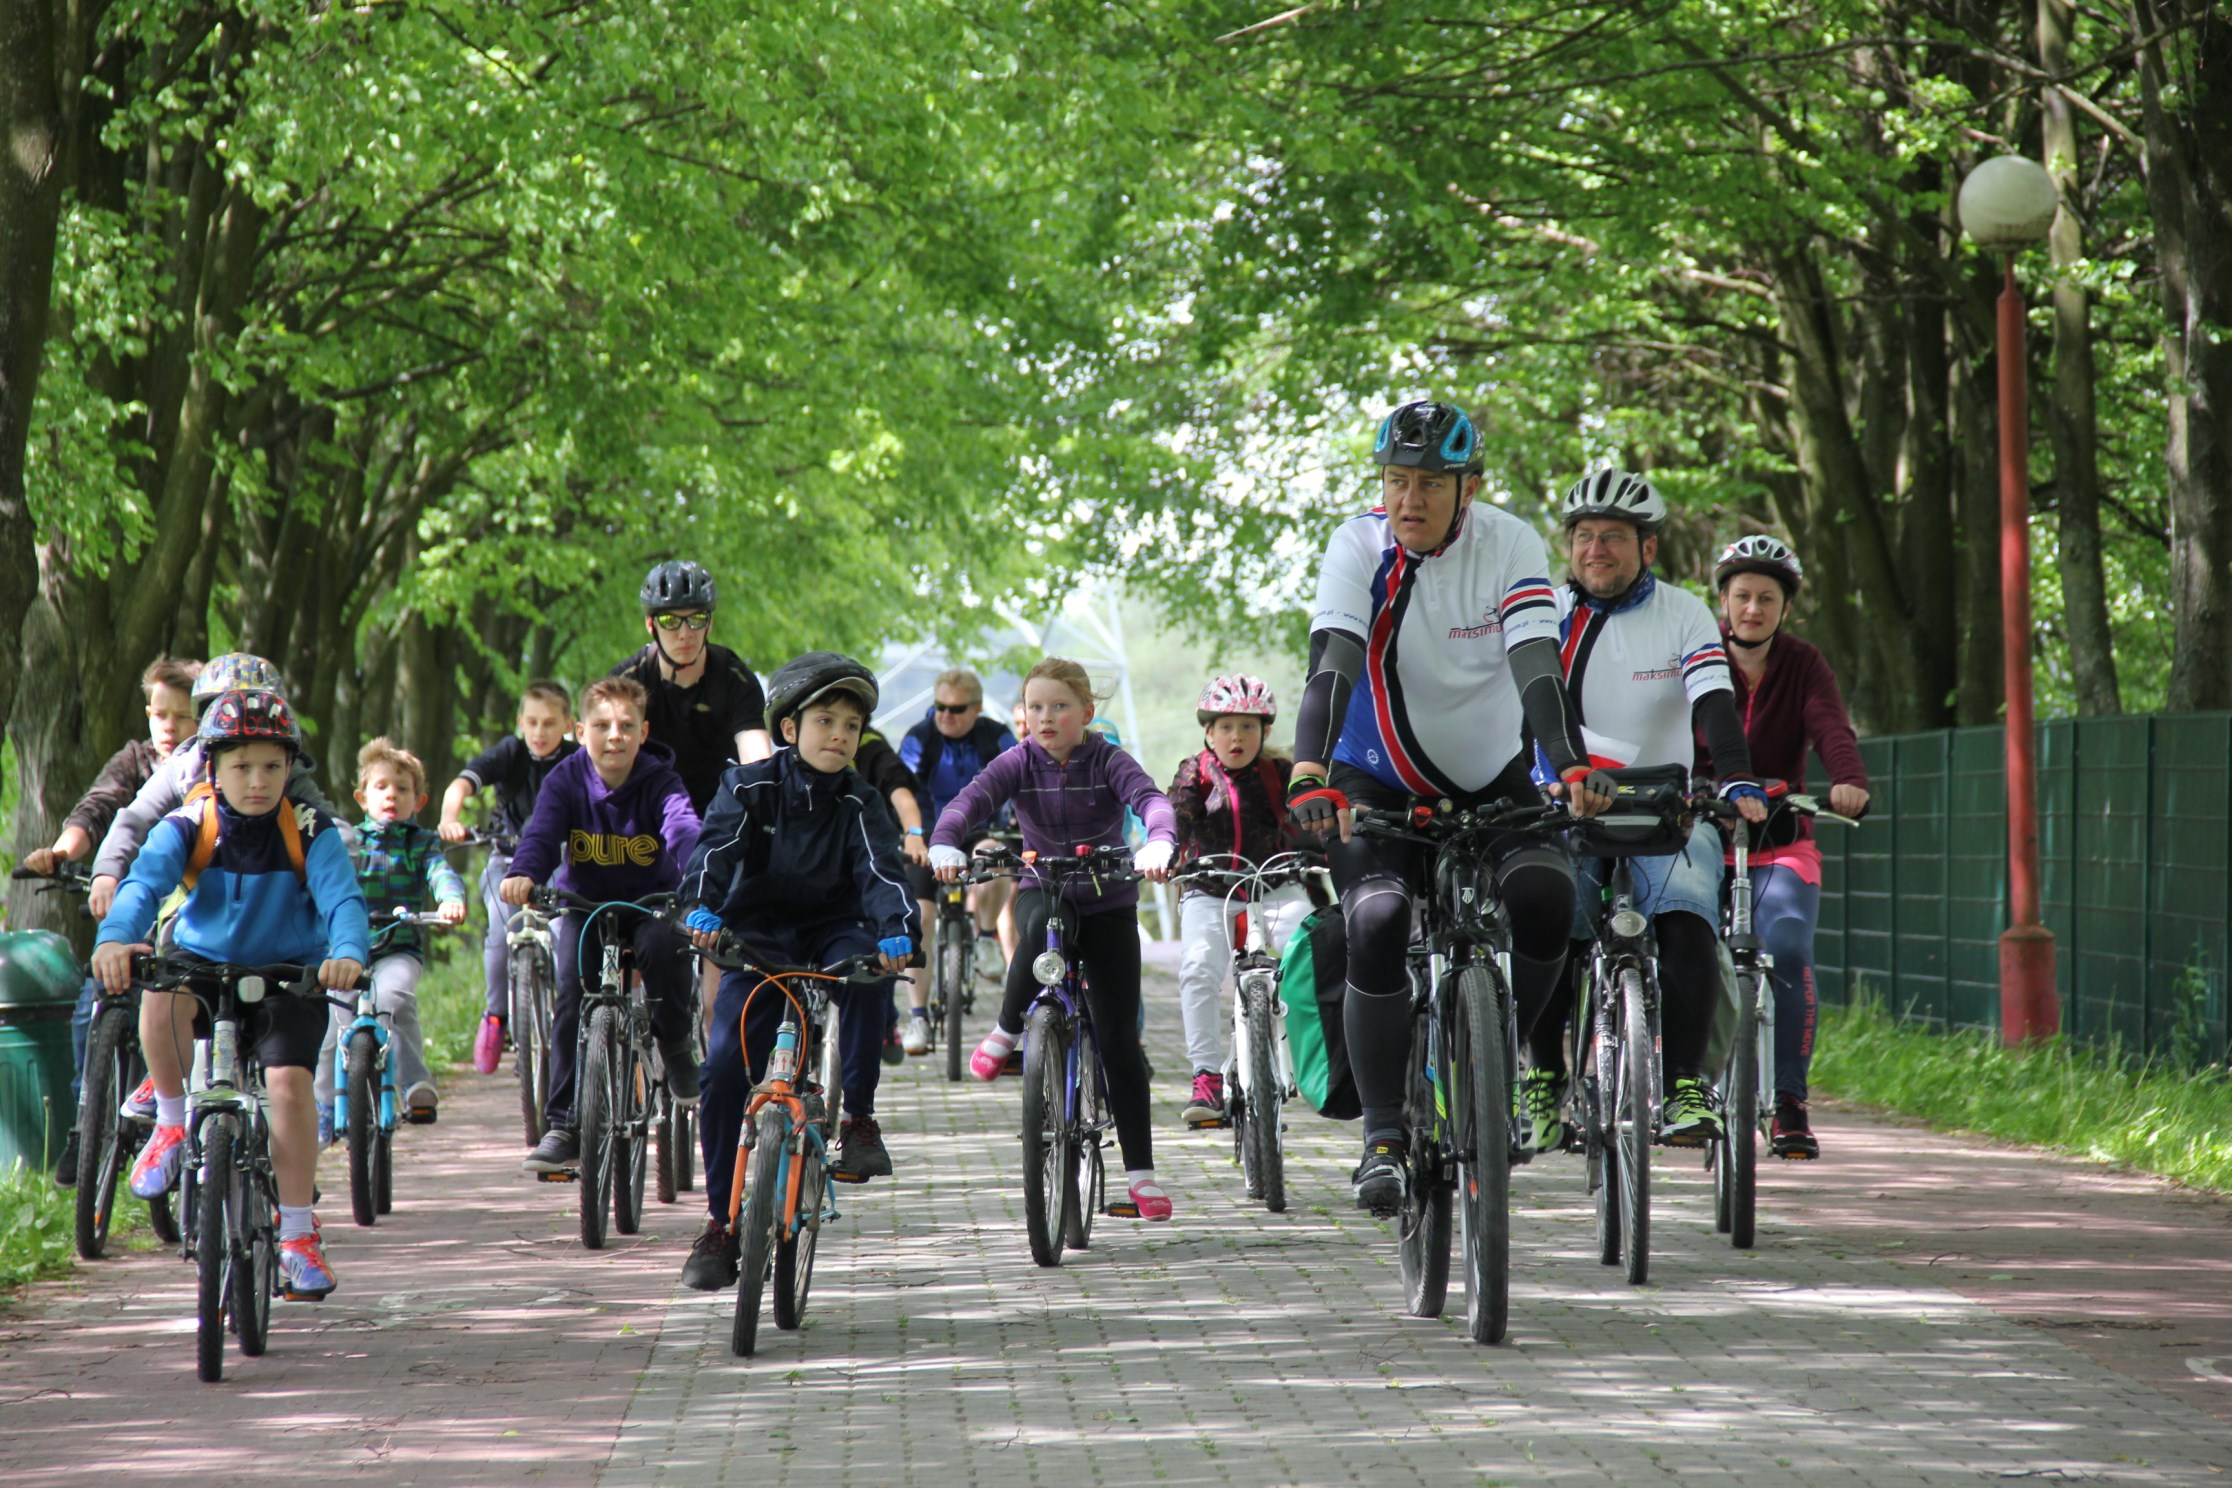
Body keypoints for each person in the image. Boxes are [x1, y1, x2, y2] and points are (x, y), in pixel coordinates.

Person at [1287, 399, 1610, 1212]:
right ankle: (1385, 1134)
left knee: (1547, 895)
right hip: (1370, 776)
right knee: (1377, 920)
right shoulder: (1358, 545)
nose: (1410, 500)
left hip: (1491, 775)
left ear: (1471, 487)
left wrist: (1568, 764)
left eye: (1431, 483)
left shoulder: (1508, 541)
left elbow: (1537, 662)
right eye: (1397, 481)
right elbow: (1334, 662)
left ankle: (1491, 1058)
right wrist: (1305, 771)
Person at [91, 689, 369, 1300]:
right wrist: (116, 938)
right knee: (160, 995)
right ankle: (169, 1122)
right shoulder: (189, 823)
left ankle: (296, 1233)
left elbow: (342, 898)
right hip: (203, 958)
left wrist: (346, 954)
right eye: (242, 766)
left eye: (273, 766)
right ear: (213, 766)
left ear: (290, 769)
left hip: (287, 968)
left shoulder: (310, 829)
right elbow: (142, 886)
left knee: (291, 1085)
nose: (259, 781)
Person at [1522, 471, 1767, 1153]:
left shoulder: (1684, 613)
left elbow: (1713, 701)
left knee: (1688, 918)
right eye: (1585, 537)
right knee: (1552, 925)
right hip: (1564, 806)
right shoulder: (1545, 612)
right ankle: (1543, 1077)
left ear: (1647, 549)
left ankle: (1686, 1083)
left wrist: (1738, 774)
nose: (1597, 549)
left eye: (1614, 538)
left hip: (1666, 810)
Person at [675, 654, 918, 1290]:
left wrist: (897, 930)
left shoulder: (862, 803)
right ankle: (720, 1223)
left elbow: (882, 872)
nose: (839, 734)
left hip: (834, 929)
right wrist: (699, 908)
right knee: (724, 1065)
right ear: (788, 728)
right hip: (755, 932)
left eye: (851, 724)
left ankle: (859, 1117)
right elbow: (715, 850)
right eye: (824, 720)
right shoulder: (749, 786)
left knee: (870, 972)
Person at [929, 658, 1179, 1221]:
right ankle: (1008, 1027)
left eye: (1060, 706)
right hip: (1044, 886)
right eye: (1035, 707)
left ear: (1087, 713)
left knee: (1119, 1040)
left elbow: (1151, 800)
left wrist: (1159, 842)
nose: (1046, 717)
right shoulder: (1016, 762)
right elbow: (969, 801)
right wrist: (947, 842)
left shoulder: (1108, 759)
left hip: (1109, 899)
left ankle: (1140, 1175)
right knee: (1039, 929)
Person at [1697, 535, 1870, 1159]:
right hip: (1700, 834)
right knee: (1683, 942)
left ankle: (1790, 1102)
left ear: (1784, 608)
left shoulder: (1804, 664)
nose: (1752, 608)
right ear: (1722, 600)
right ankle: (1682, 1077)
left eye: (1766, 598)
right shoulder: (1698, 656)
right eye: (1741, 595)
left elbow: (1829, 725)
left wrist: (1847, 780)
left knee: (1790, 947)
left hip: (1781, 839)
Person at [501, 677, 703, 1174]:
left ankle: (675, 1044)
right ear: (580, 730)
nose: (614, 735)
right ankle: (564, 1123)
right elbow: (543, 832)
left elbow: (681, 828)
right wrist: (524, 872)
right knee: (570, 990)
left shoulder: (660, 781)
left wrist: (703, 871)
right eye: (602, 725)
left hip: (650, 903)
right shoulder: (565, 780)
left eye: (626, 726)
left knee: (667, 948)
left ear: (643, 731)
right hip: (584, 905)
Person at [23, 655, 200, 1184]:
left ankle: (173, 1109)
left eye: (183, 717)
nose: (169, 727)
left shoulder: (206, 764)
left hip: (184, 906)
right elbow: (97, 809)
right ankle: (87, 1125)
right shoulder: (135, 762)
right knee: (91, 1008)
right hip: (130, 903)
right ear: (148, 713)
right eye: (161, 714)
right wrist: (62, 851)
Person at [86, 653, 337, 921]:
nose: (239, 724)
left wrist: (340, 872)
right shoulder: (184, 768)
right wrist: (107, 873)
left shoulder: (289, 774)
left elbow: (330, 828)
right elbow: (135, 820)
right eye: (225, 710)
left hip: (274, 913)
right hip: (188, 913)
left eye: (254, 712)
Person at [1167, 675, 1311, 1127]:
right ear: (1209, 732)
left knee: (1308, 954)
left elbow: (1311, 822)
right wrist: (1166, 849)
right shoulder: (1194, 772)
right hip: (1209, 889)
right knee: (1197, 969)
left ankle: (1306, 1060)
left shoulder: (1281, 773)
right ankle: (1206, 1077)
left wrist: (1326, 847)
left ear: (1264, 732)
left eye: (1248, 727)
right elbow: (1176, 815)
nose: (1237, 737)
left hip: (1276, 887)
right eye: (1226, 727)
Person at [316, 738, 468, 1137]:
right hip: (348, 949)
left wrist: (450, 898)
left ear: (419, 801)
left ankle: (414, 1084)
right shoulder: (348, 842)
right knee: (332, 1021)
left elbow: (440, 873)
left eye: (402, 789)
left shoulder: (422, 843)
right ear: (361, 797)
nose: (391, 795)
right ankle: (323, 1104)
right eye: (381, 787)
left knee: (394, 1000)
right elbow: (326, 880)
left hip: (398, 948)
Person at [437, 680, 580, 1074]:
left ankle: (570, 1015)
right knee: (500, 936)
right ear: (520, 722)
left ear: (568, 724)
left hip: (560, 861)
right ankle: (497, 1015)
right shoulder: (511, 753)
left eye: (550, 723)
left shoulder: (577, 759)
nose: (539, 732)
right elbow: (462, 783)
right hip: (506, 858)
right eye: (531, 722)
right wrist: (451, 817)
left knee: (567, 930)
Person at [896, 668, 1016, 1054]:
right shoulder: (920, 738)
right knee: (922, 917)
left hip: (981, 830)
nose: (945, 715)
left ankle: (984, 939)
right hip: (928, 837)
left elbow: (1020, 778)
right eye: (939, 707)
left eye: (956, 708)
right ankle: (917, 1018)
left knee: (994, 855)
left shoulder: (995, 736)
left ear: (977, 708)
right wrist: (911, 833)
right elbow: (903, 789)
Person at [609, 560, 771, 814]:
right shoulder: (625, 683)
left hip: (722, 816)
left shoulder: (736, 679)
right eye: (669, 620)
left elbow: (758, 762)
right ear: (650, 625)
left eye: (696, 619)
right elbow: (598, 763)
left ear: (710, 624)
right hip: (647, 814)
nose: (685, 633)